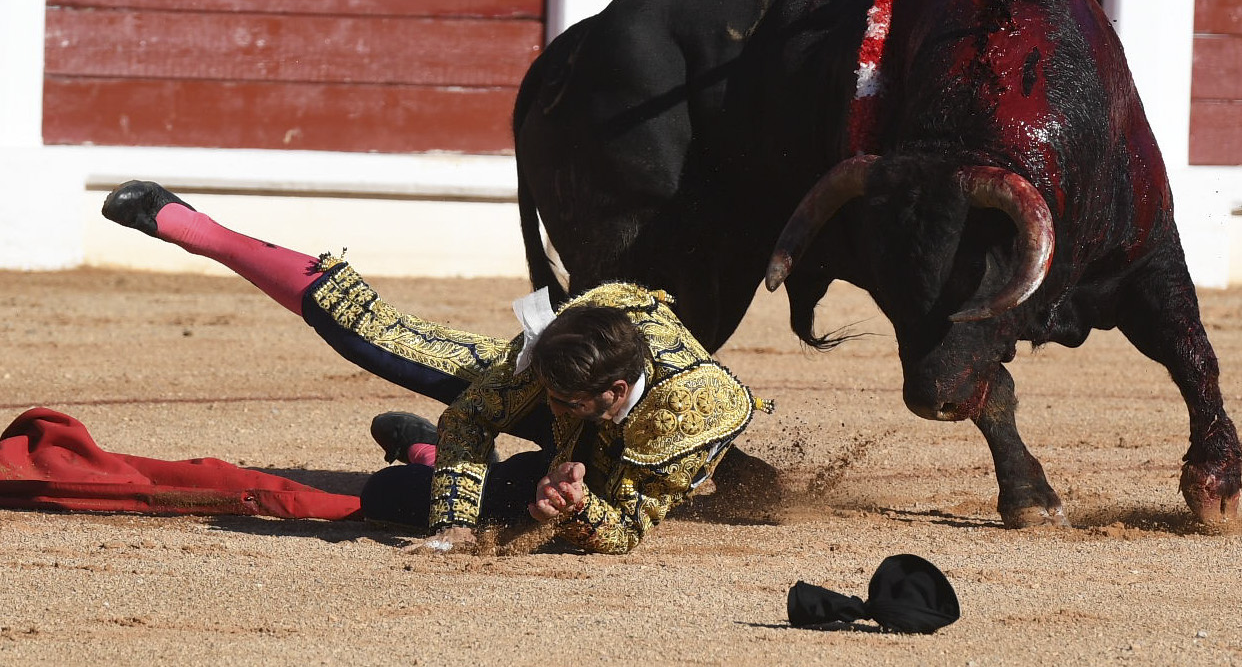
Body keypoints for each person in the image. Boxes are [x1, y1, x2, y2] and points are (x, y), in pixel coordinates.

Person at [101, 181, 770, 554]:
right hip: (573, 382)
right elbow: (475, 416)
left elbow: (624, 530)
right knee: (372, 338)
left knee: (400, 499)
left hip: (626, 457)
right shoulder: (564, 346)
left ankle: (421, 453)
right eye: (548, 391)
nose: (550, 406)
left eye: (563, 402)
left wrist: (573, 505)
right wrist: (456, 524)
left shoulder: (690, 420)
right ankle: (200, 230)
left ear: (615, 391)